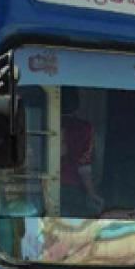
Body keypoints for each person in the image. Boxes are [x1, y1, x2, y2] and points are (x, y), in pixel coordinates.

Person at [59, 87, 104, 217]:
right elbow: (84, 166)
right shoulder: (84, 128)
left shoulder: (39, 122)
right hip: (73, 188)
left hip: (42, 187)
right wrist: (91, 193)